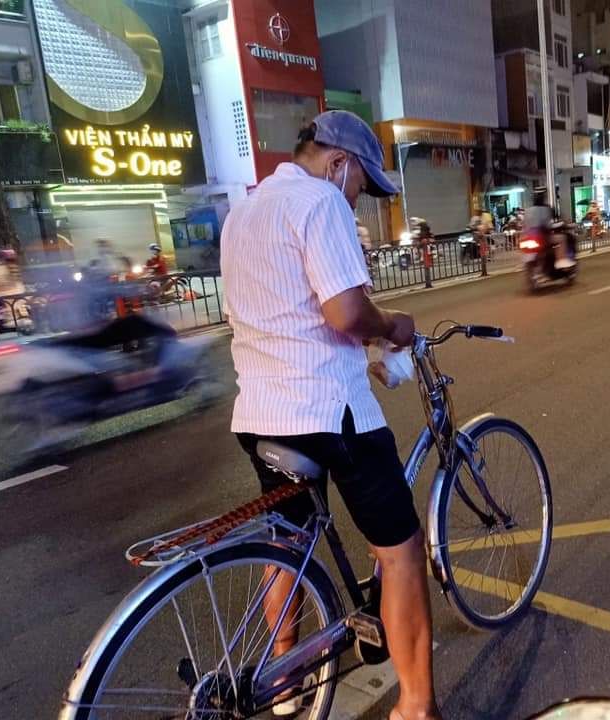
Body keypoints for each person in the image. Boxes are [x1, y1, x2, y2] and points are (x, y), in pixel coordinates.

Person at [220, 110, 440, 720]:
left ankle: (285, 681)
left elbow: (287, 308)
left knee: (285, 545)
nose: (357, 198)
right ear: (339, 163)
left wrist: (363, 334)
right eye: (361, 184)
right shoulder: (320, 201)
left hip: (259, 413)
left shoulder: (243, 212)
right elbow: (345, 311)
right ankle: (417, 708)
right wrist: (392, 325)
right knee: (400, 552)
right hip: (328, 411)